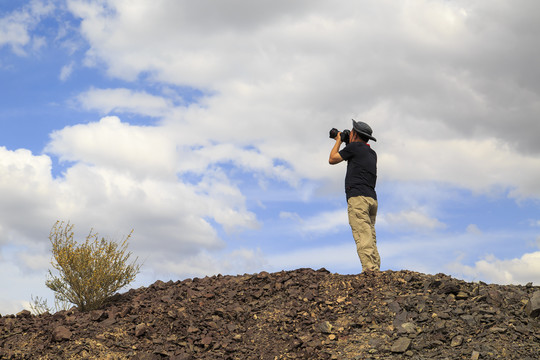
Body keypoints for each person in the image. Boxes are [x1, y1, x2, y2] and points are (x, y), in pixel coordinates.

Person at [329, 119, 380, 272]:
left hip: (358, 198)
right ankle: (375, 268)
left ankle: (369, 269)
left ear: (355, 134)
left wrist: (338, 140)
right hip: (371, 198)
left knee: (362, 233)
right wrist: (348, 144)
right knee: (369, 235)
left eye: (351, 131)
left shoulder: (355, 147)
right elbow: (356, 156)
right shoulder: (371, 152)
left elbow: (332, 159)